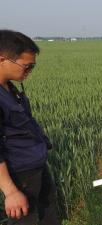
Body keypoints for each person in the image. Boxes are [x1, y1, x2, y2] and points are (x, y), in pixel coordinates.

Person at [0, 30, 61, 225]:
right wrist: (11, 191)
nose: (29, 71)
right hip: (20, 176)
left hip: (36, 169)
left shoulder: (10, 88)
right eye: (27, 66)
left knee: (48, 217)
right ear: (2, 60)